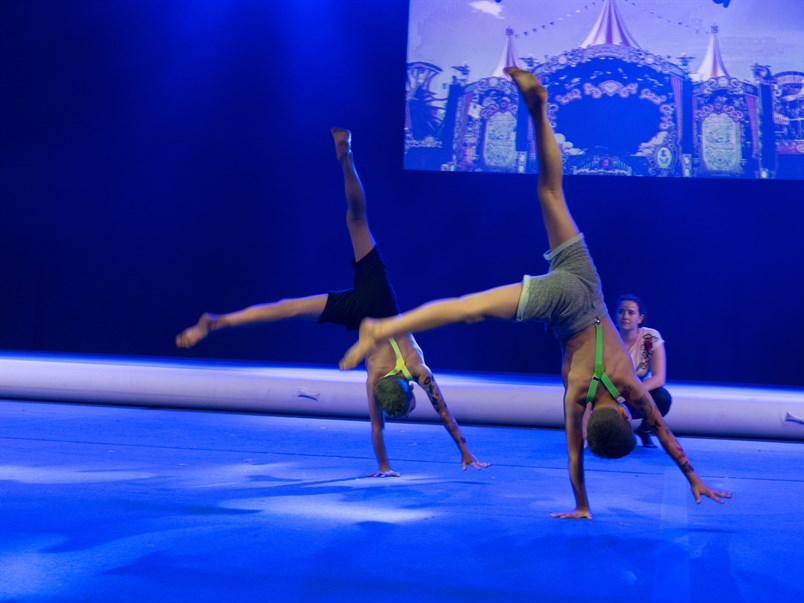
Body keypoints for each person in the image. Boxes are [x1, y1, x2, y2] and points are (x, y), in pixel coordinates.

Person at [340, 68, 731, 518]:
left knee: (550, 190)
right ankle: (384, 327)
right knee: (470, 308)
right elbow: (574, 456)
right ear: (602, 421)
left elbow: (663, 432)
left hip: (585, 283)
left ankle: (539, 109)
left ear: (625, 415)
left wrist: (693, 475)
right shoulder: (577, 394)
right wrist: (581, 505)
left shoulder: (629, 387)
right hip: (559, 306)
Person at [175, 128, 489, 478]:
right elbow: (378, 427)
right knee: (290, 310)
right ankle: (221, 322)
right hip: (367, 312)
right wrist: (392, 465)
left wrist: (458, 451)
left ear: (408, 388)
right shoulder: (376, 377)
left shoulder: (416, 369)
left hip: (376, 302)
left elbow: (441, 412)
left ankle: (346, 159)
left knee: (354, 223)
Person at [615, 295, 672, 448]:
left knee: (662, 398)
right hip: (611, 393)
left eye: (631, 312)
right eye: (621, 311)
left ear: (640, 318)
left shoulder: (650, 337)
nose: (625, 316)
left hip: (635, 394)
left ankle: (644, 430)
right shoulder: (607, 338)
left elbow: (659, 378)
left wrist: (630, 392)